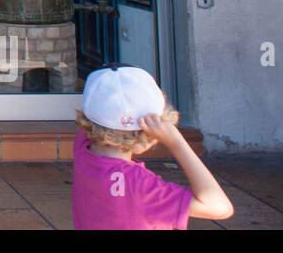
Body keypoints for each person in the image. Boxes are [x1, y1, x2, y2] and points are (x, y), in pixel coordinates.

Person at [73, 64, 233, 230]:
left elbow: (94, 121)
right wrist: (176, 143)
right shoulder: (140, 185)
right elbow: (219, 208)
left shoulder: (83, 149)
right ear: (149, 133)